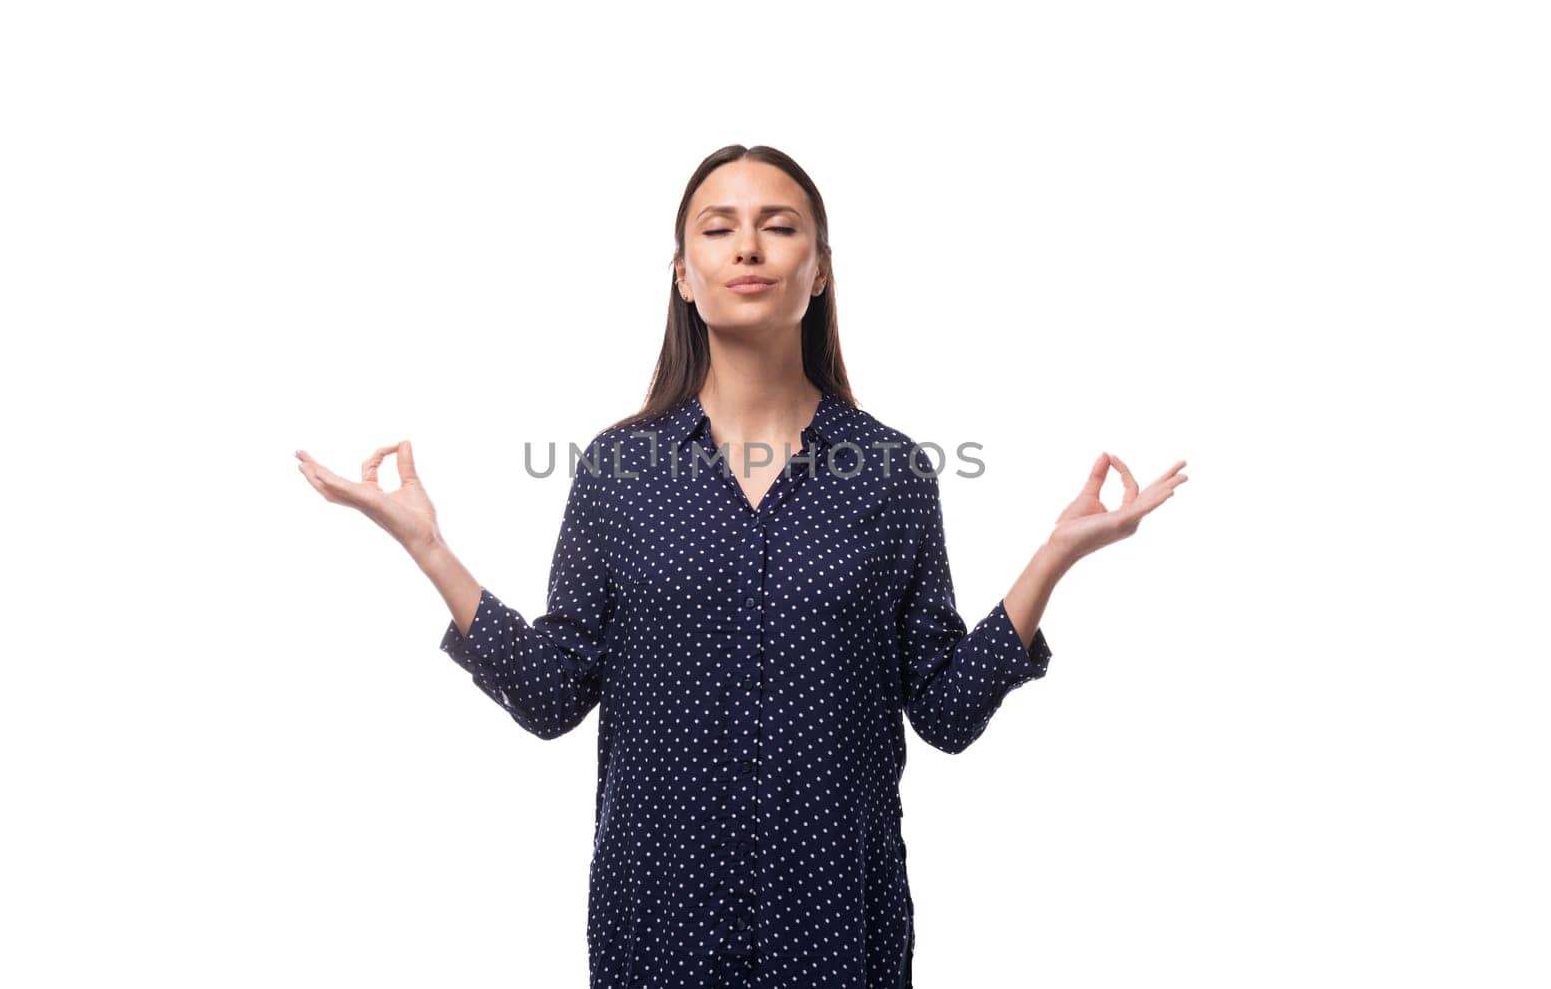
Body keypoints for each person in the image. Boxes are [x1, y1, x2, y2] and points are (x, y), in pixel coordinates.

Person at [295, 143, 1189, 988]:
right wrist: (426, 545)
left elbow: (947, 711)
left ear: (821, 268)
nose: (749, 246)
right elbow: (551, 696)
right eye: (717, 228)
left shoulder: (890, 474)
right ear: (684, 274)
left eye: (780, 224)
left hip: (843, 932)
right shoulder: (619, 472)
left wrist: (1055, 555)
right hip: (659, 932)